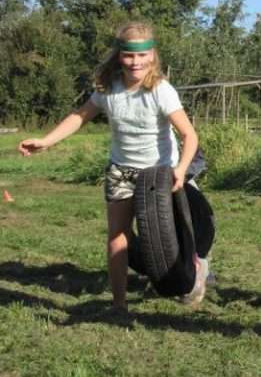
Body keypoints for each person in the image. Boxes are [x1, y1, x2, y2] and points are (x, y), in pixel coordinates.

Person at [18, 21, 203, 312]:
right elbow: (80, 116)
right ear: (119, 55)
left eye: (142, 56)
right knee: (118, 236)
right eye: (129, 55)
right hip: (121, 172)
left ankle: (195, 272)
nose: (135, 62)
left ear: (152, 55)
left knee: (177, 234)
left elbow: (189, 135)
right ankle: (119, 305)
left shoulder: (161, 90)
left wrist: (180, 170)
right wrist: (46, 141)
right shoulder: (108, 89)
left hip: (158, 173)